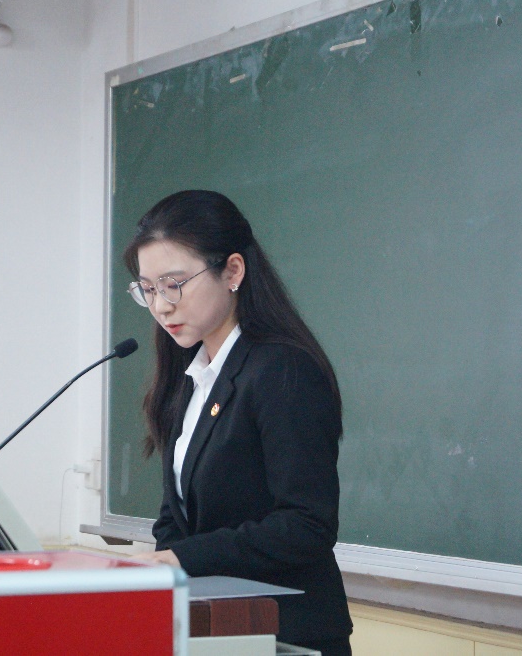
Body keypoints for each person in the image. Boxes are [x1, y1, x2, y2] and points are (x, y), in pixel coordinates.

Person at [126, 190, 353, 655]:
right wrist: (167, 560)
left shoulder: (282, 369)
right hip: (215, 629)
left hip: (288, 633)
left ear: (232, 271)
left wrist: (181, 558)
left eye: (173, 284)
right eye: (147, 289)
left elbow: (306, 524)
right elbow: (176, 516)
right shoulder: (191, 377)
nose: (161, 306)